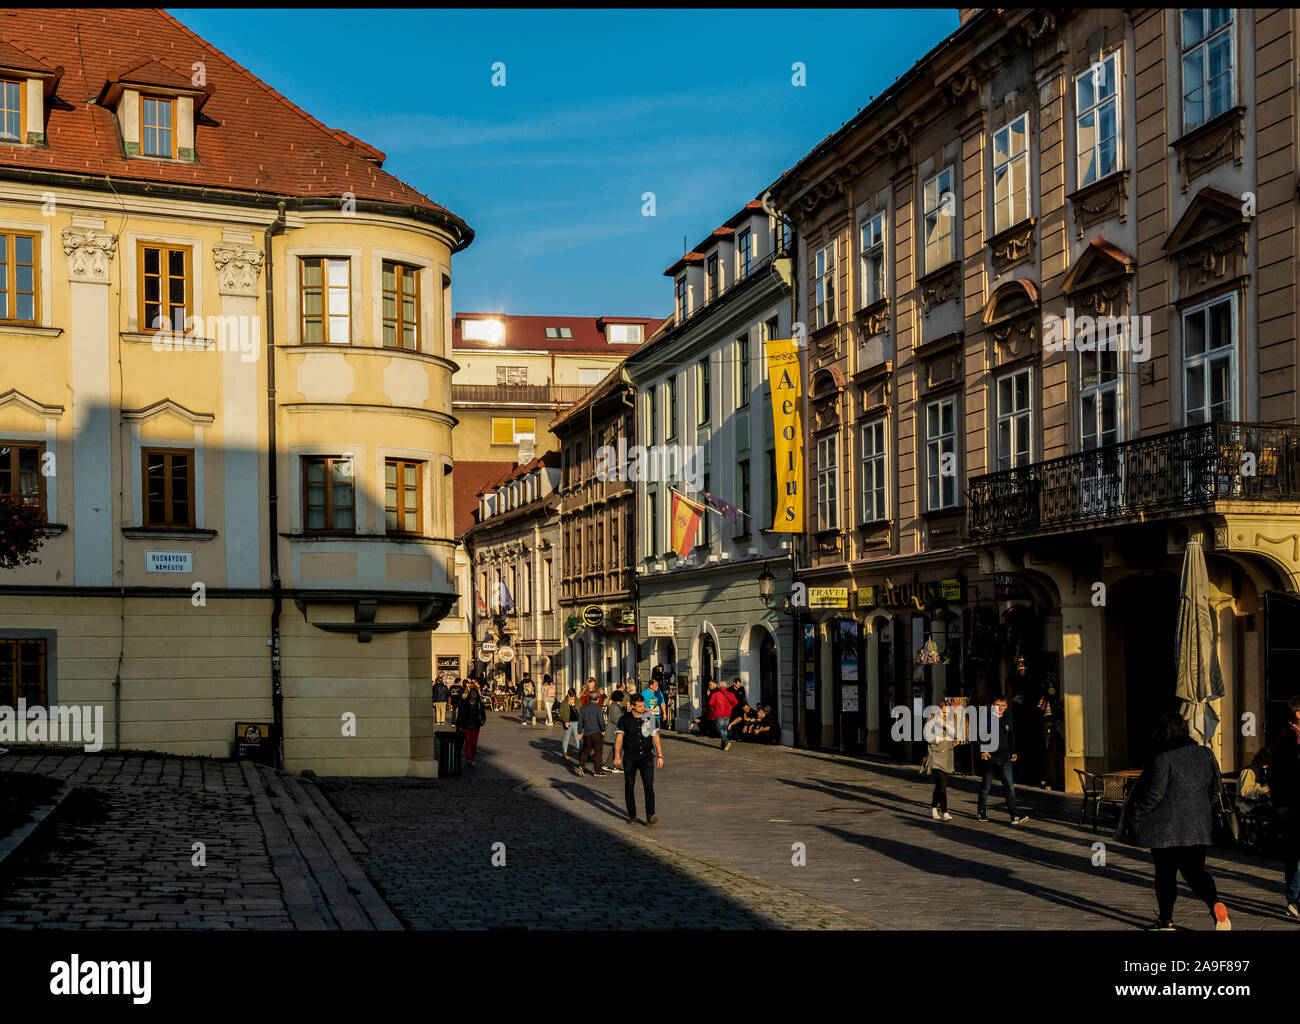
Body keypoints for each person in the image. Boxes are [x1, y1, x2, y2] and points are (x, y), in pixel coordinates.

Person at [1126, 711, 1231, 931]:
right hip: (1199, 827)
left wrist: (1138, 811)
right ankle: (1215, 902)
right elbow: (1216, 790)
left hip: (1166, 828)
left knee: (1165, 874)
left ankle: (1166, 920)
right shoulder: (1205, 754)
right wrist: (1200, 811)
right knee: (1195, 872)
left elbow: (1153, 795)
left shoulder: (1164, 757)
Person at [1270, 694, 1300, 919]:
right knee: (1296, 854)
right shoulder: (1287, 737)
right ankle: (1294, 900)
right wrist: (1281, 803)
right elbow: (1278, 774)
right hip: (1294, 803)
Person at [977, 695, 1028, 825]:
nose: (1000, 708)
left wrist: (1014, 751)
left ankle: (1014, 815)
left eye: (1003, 705)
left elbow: (1011, 735)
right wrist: (983, 750)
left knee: (1009, 787)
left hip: (1005, 757)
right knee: (986, 787)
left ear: (1006, 706)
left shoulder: (1007, 718)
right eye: (997, 705)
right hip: (990, 757)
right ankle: (981, 811)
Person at [614, 693, 664, 825]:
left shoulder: (649, 717)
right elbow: (619, 738)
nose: (643, 708)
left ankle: (650, 814)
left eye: (644, 705)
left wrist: (660, 755)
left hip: (646, 756)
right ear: (632, 706)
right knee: (629, 787)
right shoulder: (624, 719)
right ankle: (632, 815)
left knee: (649, 786)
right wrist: (617, 754)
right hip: (630, 756)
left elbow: (655, 737)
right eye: (640, 706)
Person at [926, 704, 957, 822]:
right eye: (944, 712)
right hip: (936, 757)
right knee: (942, 785)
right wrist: (943, 738)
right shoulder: (931, 720)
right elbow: (928, 737)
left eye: (948, 713)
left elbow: (956, 734)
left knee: (940, 786)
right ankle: (945, 812)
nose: (946, 715)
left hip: (948, 758)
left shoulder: (950, 721)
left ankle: (933, 807)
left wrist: (946, 725)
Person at [577, 689, 608, 777]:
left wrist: (579, 732)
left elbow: (580, 722)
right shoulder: (598, 709)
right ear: (598, 699)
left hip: (587, 733)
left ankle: (581, 766)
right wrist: (603, 730)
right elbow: (601, 721)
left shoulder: (583, 709)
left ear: (589, 699)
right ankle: (597, 771)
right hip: (596, 733)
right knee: (598, 752)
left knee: (586, 751)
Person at [455, 687, 488, 768]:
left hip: (476, 726)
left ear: (477, 695)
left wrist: (483, 720)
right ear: (469, 694)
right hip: (466, 726)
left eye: (475, 693)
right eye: (472, 693)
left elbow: (483, 714)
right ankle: (469, 759)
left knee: (474, 743)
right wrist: (458, 724)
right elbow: (460, 714)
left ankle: (472, 759)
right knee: (468, 743)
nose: (473, 695)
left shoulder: (479, 703)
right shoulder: (464, 702)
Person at [708, 680, 738, 752]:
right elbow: (736, 702)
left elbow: (710, 703)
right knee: (724, 730)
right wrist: (730, 707)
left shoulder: (716, 694)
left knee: (719, 729)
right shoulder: (730, 694)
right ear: (726, 686)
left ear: (720, 687)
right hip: (728, 713)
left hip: (719, 713)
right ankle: (723, 745)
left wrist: (709, 696)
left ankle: (726, 741)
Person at [605, 689, 626, 773]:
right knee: (618, 748)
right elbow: (615, 718)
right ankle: (616, 766)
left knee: (615, 749)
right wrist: (623, 722)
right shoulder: (615, 707)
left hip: (614, 730)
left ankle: (608, 765)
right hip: (615, 730)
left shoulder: (614, 706)